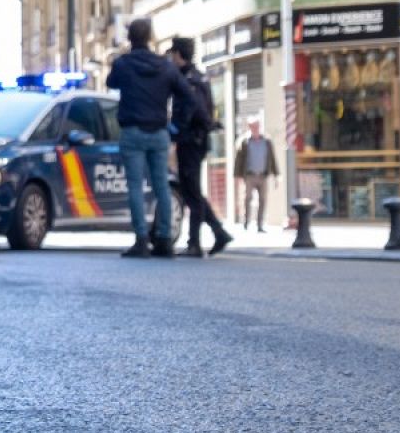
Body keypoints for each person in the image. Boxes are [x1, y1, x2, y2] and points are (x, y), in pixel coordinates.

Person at [105, 18, 194, 259]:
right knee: (161, 185)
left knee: (135, 186)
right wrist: (176, 127)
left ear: (130, 38)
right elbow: (188, 95)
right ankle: (164, 240)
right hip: (158, 132)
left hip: (132, 131)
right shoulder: (165, 66)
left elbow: (110, 82)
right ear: (150, 38)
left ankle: (142, 240)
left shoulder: (123, 64)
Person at [167, 37, 232, 257]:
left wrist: (178, 128)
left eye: (172, 54)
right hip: (194, 140)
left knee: (192, 192)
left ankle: (195, 242)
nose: (171, 59)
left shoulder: (189, 80)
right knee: (190, 190)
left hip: (191, 140)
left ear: (178, 55)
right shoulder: (196, 76)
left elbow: (194, 109)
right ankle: (219, 232)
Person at [233, 116, 279, 232]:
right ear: (249, 127)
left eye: (257, 126)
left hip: (263, 175)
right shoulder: (244, 142)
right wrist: (237, 176)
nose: (256, 128)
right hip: (249, 175)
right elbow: (238, 160)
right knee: (247, 198)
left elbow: (272, 158)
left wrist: (276, 174)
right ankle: (246, 222)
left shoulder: (267, 141)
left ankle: (260, 225)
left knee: (263, 200)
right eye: (253, 126)